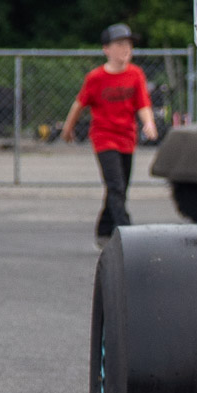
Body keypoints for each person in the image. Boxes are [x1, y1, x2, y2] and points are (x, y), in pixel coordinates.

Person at [61, 22, 157, 246]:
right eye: (120, 44)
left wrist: (149, 123)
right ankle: (127, 233)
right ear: (106, 49)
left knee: (121, 188)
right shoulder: (96, 77)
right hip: (104, 137)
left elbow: (143, 103)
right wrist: (67, 128)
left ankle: (103, 230)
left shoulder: (135, 74)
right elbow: (79, 104)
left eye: (129, 45)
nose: (126, 49)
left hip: (127, 137)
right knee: (116, 186)